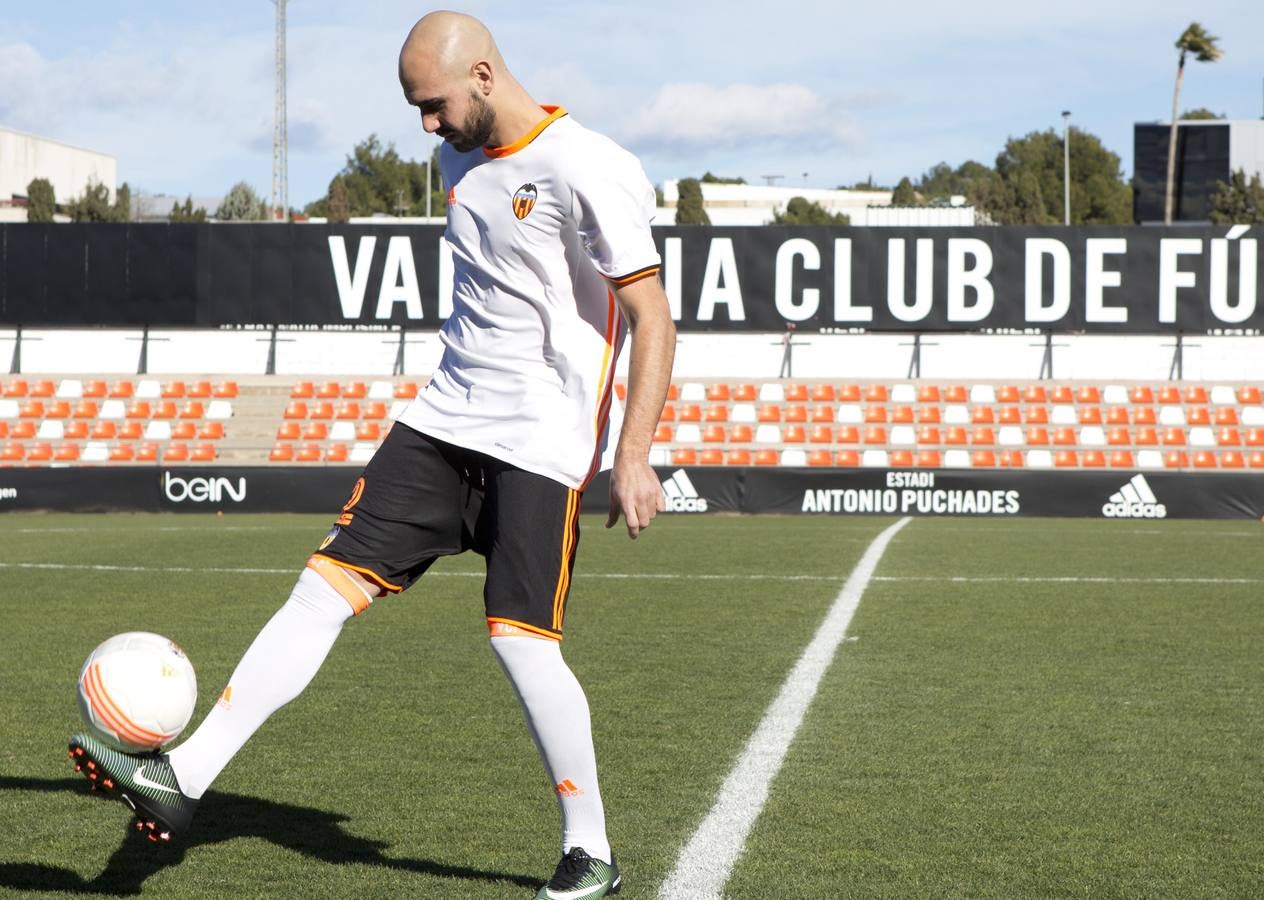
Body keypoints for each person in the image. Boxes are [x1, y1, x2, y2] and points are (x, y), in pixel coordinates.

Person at [68, 11, 675, 899]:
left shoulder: (591, 166)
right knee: (320, 590)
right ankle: (185, 779)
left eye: (432, 105)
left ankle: (591, 849)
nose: (426, 127)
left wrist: (635, 454)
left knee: (521, 642)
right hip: (439, 424)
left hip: (541, 444)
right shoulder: (453, 160)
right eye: (414, 109)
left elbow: (652, 316)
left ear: (480, 74)